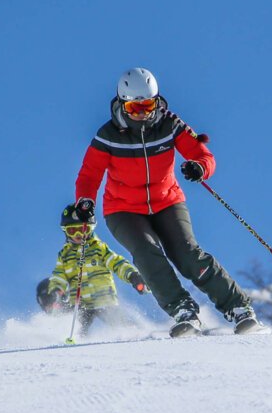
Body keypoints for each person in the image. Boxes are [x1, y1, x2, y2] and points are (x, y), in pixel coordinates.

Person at [73, 67, 260, 337]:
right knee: (147, 253)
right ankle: (183, 310)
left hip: (166, 201)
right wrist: (84, 202)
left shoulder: (169, 124)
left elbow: (202, 154)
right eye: (134, 107)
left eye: (147, 105)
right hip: (123, 209)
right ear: (122, 103)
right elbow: (89, 175)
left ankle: (239, 308)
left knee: (187, 253)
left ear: (157, 101)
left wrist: (199, 167)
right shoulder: (108, 136)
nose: (142, 112)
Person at [39, 203, 146, 336]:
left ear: (90, 229)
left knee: (118, 322)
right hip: (81, 304)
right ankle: (79, 346)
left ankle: (138, 335)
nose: (78, 235)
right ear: (65, 232)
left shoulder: (99, 249)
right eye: (72, 231)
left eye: (82, 230)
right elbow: (59, 276)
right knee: (81, 328)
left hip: (104, 300)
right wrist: (56, 290)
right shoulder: (64, 255)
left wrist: (132, 275)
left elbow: (117, 263)